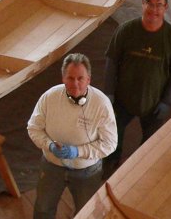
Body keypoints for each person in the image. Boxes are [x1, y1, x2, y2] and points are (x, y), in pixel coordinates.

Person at [27, 53, 116, 219]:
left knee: (87, 213)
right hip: (52, 166)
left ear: (88, 80)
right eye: (70, 78)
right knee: (42, 209)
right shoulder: (49, 97)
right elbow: (33, 128)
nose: (75, 84)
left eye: (80, 78)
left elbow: (110, 144)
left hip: (87, 171)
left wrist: (78, 152)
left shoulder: (101, 104)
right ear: (63, 78)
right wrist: (49, 145)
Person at [104, 0, 171, 167]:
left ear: (165, 8)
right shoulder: (125, 31)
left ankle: (138, 169)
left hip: (154, 102)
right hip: (123, 98)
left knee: (150, 142)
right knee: (112, 134)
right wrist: (108, 92)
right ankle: (111, 162)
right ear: (143, 4)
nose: (154, 10)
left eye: (159, 5)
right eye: (150, 4)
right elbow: (111, 62)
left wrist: (166, 102)